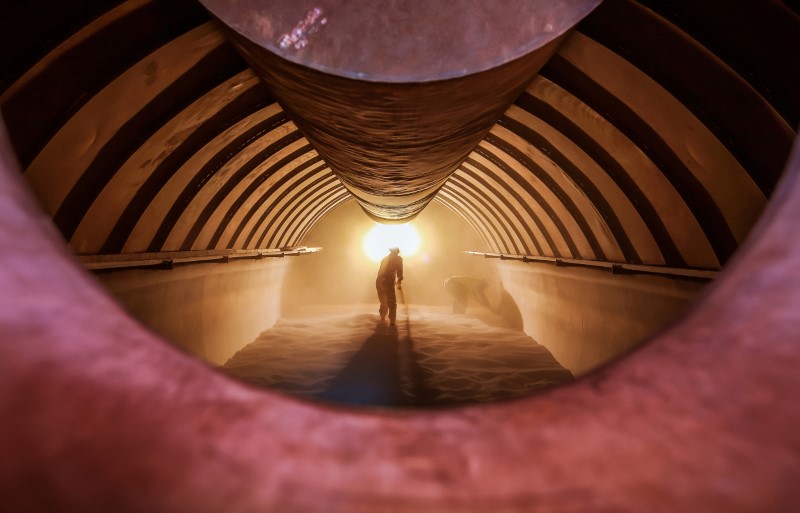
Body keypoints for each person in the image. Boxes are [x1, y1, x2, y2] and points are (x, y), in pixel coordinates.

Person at [376, 247, 403, 326]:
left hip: (379, 281)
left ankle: (382, 317)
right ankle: (392, 321)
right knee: (391, 301)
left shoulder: (385, 258)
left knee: (384, 300)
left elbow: (380, 272)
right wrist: (399, 283)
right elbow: (400, 272)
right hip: (387, 281)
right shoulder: (398, 259)